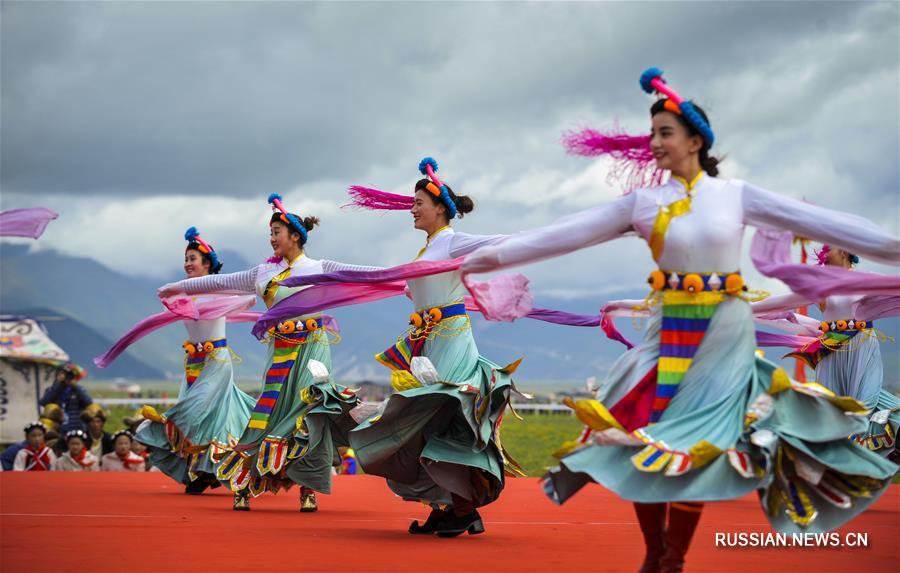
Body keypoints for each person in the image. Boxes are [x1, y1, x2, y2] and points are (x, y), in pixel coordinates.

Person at [461, 68, 900, 572]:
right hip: (666, 333)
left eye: (664, 132)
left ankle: (673, 558)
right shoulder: (643, 203)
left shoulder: (735, 194)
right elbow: (562, 233)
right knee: (639, 436)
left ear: (696, 139)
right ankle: (654, 550)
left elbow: (832, 226)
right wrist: (482, 260)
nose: (654, 142)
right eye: (651, 134)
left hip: (723, 336)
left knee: (699, 445)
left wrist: (892, 248)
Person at [332, 158, 521, 537]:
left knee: (440, 415)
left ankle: (465, 508)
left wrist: (559, 237)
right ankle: (447, 505)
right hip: (429, 342)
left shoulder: (451, 241)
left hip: (450, 338)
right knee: (426, 422)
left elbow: (501, 243)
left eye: (419, 202)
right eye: (413, 202)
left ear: (441, 209)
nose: (413, 208)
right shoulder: (426, 251)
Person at [157, 196, 370, 511]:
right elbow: (220, 282)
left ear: (295, 236)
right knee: (267, 415)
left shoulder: (319, 267)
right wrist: (176, 287)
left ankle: (308, 487)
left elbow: (364, 274)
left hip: (314, 350)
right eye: (270, 234)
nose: (272, 239)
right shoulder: (262, 274)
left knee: (311, 414)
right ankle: (244, 483)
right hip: (280, 351)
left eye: (277, 233)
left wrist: (405, 278)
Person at [131, 228, 255, 494]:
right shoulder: (181, 294)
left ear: (207, 264)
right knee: (214, 419)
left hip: (216, 360)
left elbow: (250, 297)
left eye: (192, 259)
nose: (187, 264)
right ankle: (208, 472)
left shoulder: (221, 289)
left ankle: (157, 427)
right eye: (186, 259)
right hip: (193, 361)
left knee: (193, 412)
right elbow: (164, 297)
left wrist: (230, 302)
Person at [752, 244, 900, 462]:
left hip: (861, 346)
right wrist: (746, 306)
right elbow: (783, 301)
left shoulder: (866, 280)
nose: (823, 255)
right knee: (828, 408)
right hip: (831, 349)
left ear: (843, 250)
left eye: (827, 249)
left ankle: (854, 461)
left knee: (864, 405)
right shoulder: (822, 285)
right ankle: (830, 462)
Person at [39, 363, 92, 434]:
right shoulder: (53, 389)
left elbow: (88, 402)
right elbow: (44, 402)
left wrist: (75, 386)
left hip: (76, 427)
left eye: (70, 376)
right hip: (58, 429)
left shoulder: (79, 390)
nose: (67, 378)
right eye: (65, 375)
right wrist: (57, 383)